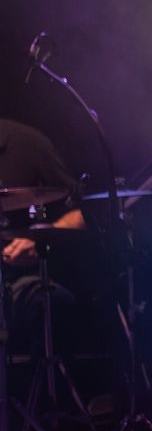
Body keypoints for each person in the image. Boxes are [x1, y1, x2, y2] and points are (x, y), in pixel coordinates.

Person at [0, 118, 87, 357]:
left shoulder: (28, 144)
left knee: (53, 302)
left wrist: (39, 241)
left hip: (16, 280)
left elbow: (84, 213)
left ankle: (42, 378)